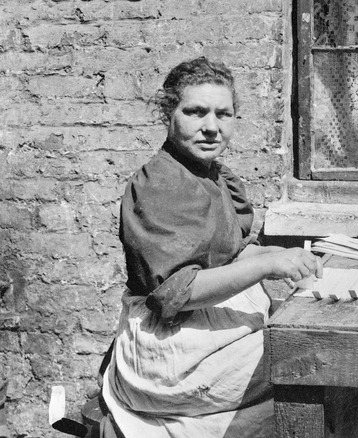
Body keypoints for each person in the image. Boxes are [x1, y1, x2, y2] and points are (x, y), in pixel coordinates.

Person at [100, 57, 322, 437]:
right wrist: (268, 266)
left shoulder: (212, 175)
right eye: (196, 112)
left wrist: (285, 257)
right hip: (172, 348)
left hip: (209, 330)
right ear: (169, 114)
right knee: (320, 359)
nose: (211, 127)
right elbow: (177, 295)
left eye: (224, 114)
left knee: (320, 349)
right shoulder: (159, 185)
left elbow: (229, 254)